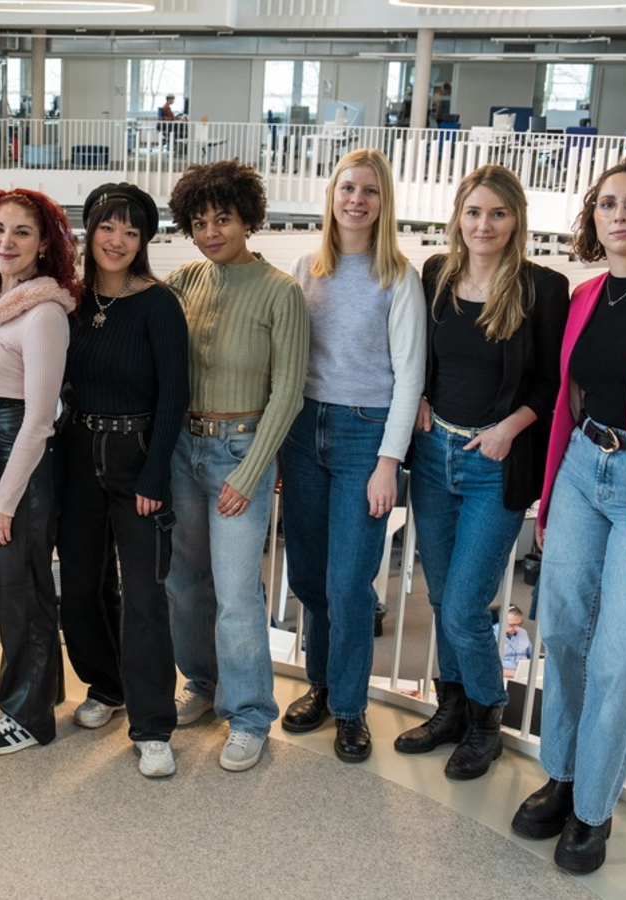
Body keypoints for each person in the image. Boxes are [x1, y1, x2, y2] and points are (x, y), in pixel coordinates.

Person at [394, 165, 568, 779]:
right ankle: (451, 708)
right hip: (434, 454)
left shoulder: (543, 287)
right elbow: (420, 355)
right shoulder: (436, 274)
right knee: (442, 595)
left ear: (516, 219)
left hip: (495, 462)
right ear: (457, 217)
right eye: (473, 212)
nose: (483, 224)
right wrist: (419, 396)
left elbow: (552, 382)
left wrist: (508, 428)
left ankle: (486, 719)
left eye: (497, 213)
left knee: (465, 604)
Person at [510, 157, 626, 875]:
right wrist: (554, 492)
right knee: (561, 630)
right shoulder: (588, 295)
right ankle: (560, 775)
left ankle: (593, 808)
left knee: (621, 661)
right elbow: (569, 399)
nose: (619, 214)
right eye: (607, 203)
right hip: (583, 471)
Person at [279, 148, 425, 763]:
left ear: (383, 201)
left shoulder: (398, 277)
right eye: (347, 188)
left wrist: (390, 461)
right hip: (302, 428)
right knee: (309, 576)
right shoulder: (305, 268)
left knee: (348, 584)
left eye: (369, 190)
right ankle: (319, 685)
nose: (356, 200)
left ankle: (349, 707)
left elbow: (410, 376)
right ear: (332, 195)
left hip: (365, 435)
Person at [164, 161, 309, 772]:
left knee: (238, 593)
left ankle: (249, 714)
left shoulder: (280, 291)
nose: (210, 232)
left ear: (248, 218)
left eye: (222, 219)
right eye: (198, 223)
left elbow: (289, 391)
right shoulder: (183, 281)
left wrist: (249, 474)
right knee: (183, 582)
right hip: (183, 448)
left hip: (240, 451)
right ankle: (201, 682)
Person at [57, 182, 189, 778]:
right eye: (107, 227)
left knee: (143, 598)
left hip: (137, 454)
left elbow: (174, 396)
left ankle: (153, 724)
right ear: (89, 231)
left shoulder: (159, 304)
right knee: (82, 588)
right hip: (77, 453)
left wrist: (155, 474)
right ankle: (106, 685)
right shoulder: (71, 299)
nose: (117, 240)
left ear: (143, 241)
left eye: (131, 231)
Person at [0, 188, 79, 755]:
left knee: (22, 589)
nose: (6, 241)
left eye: (22, 232)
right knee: (17, 582)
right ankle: (37, 684)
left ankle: (28, 716)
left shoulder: (43, 312)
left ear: (45, 245)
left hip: (21, 461)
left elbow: (38, 419)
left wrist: (3, 502)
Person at [493, 606, 533, 677]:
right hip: (502, 675)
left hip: (525, 673)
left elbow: (532, 656)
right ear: (501, 620)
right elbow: (487, 666)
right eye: (512, 625)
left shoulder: (523, 632)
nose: (517, 628)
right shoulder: (492, 634)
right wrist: (516, 674)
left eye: (519, 624)